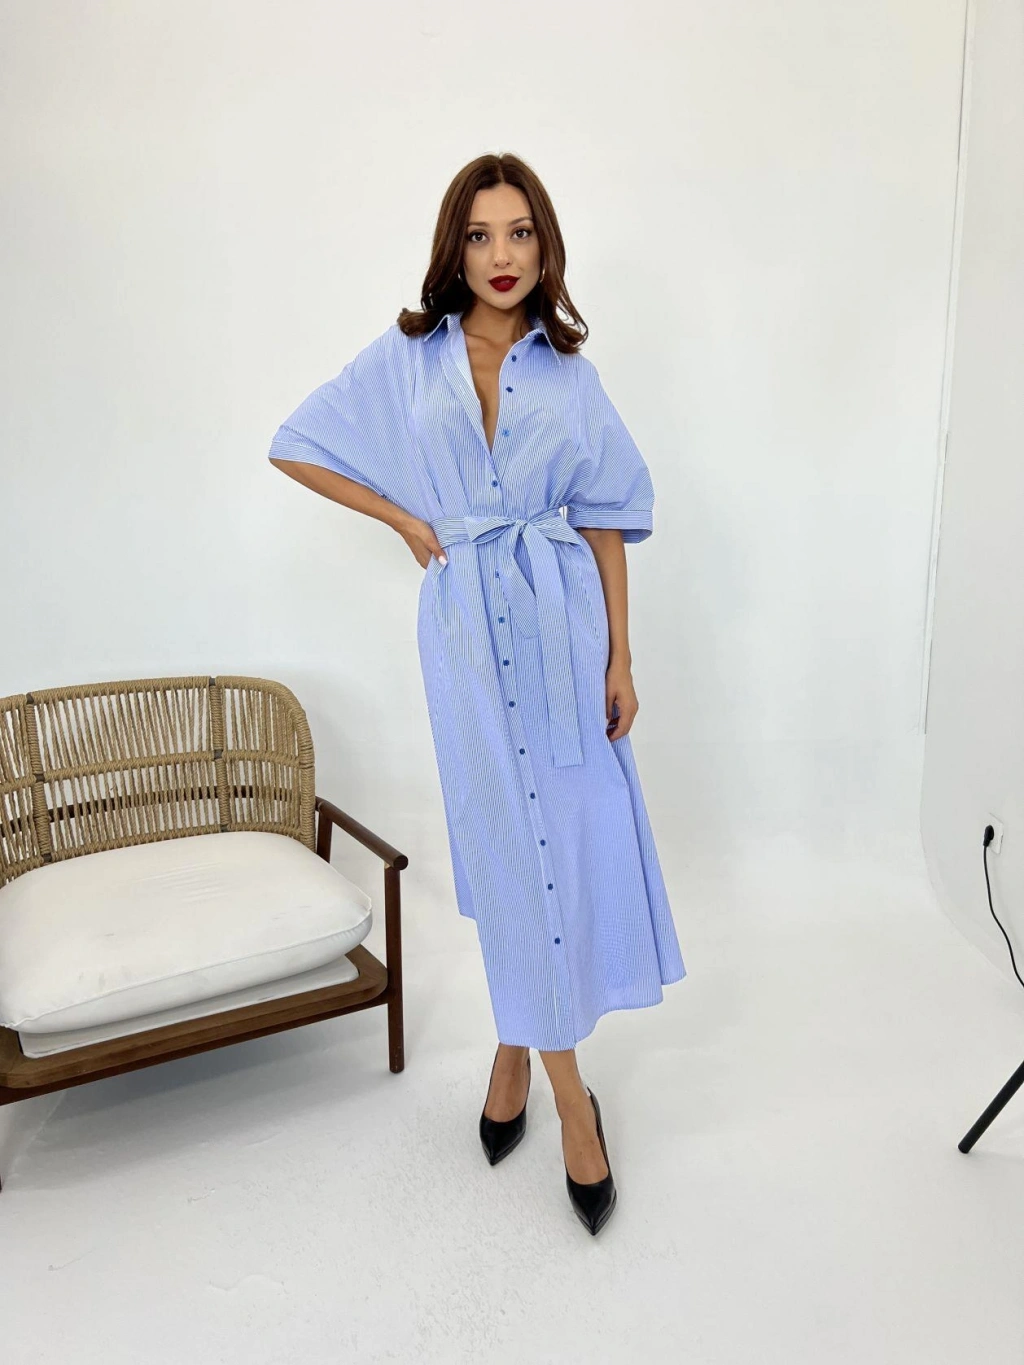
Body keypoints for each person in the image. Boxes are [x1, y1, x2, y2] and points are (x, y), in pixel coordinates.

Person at [268, 151, 686, 1236]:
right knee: (506, 845)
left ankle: (517, 1054)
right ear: (455, 248)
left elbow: (605, 515)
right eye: (480, 234)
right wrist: (406, 519)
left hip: (560, 626)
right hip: (464, 635)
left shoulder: (572, 378)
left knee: (565, 841)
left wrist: (621, 658)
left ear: (545, 246)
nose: (502, 255)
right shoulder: (410, 360)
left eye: (521, 233)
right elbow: (296, 444)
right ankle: (570, 1097)